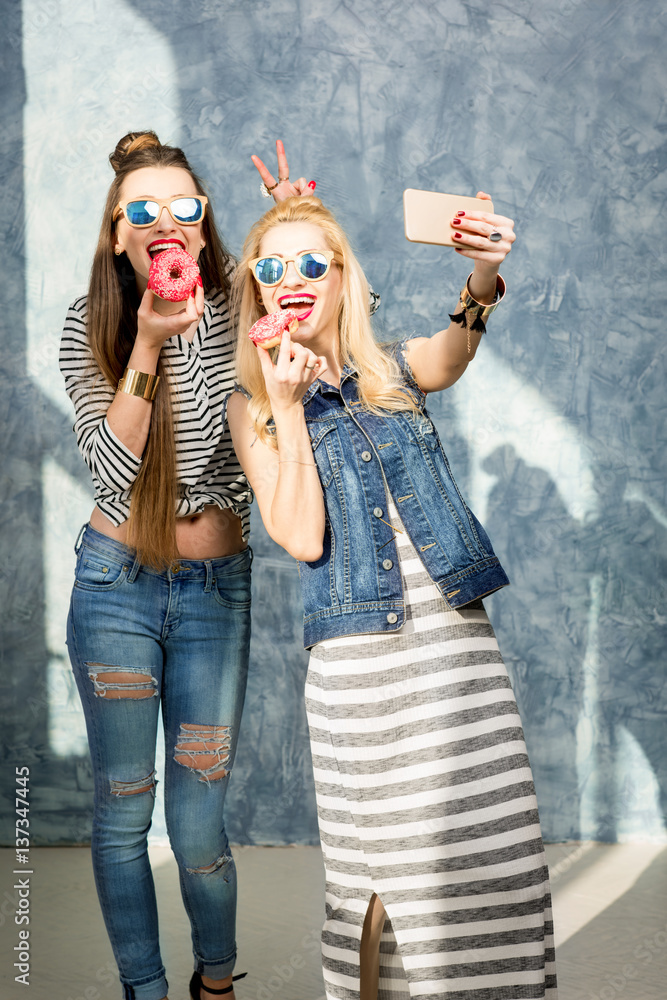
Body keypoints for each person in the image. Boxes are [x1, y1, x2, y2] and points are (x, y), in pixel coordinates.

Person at [227, 195, 557, 1000]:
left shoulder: (393, 371)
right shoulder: (254, 408)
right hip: (361, 670)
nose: (291, 279)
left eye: (313, 262)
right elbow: (302, 537)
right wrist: (288, 405)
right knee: (384, 881)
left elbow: (454, 351)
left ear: (343, 280)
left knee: (494, 858)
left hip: (455, 651)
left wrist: (482, 273)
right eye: (272, 267)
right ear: (257, 292)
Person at [59, 132, 310, 1000]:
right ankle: (145, 991)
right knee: (124, 812)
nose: (166, 223)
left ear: (203, 230)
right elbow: (111, 472)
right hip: (115, 590)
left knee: (198, 822)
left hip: (213, 595)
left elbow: (346, 319)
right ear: (118, 236)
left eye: (185, 208)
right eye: (143, 212)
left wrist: (292, 234)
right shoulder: (88, 326)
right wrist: (147, 344)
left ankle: (215, 985)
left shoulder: (249, 302)